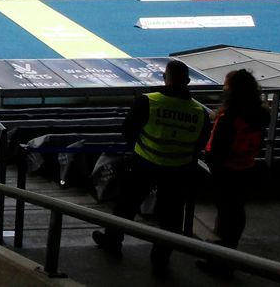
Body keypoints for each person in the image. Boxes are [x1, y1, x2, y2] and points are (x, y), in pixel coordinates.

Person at [92, 60, 211, 275]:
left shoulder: (148, 101)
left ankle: (113, 240)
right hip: (179, 169)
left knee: (126, 206)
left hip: (144, 163)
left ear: (165, 78)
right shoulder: (199, 112)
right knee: (172, 217)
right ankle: (161, 258)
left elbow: (128, 131)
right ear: (188, 81)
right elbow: (201, 143)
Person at [198, 69, 269, 276]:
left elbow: (218, 148)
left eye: (226, 86)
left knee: (227, 214)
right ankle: (228, 254)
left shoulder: (230, 117)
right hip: (245, 167)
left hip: (226, 171)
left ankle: (221, 261)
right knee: (235, 211)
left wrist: (209, 159)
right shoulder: (259, 113)